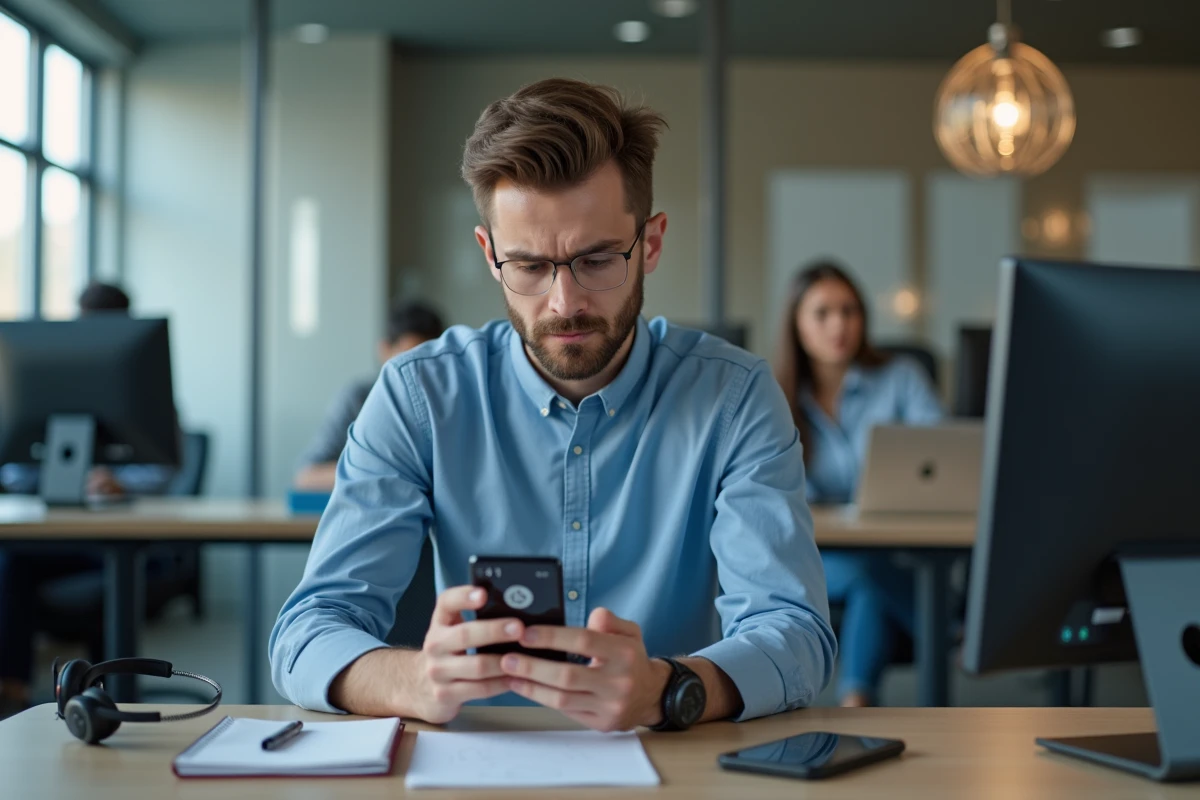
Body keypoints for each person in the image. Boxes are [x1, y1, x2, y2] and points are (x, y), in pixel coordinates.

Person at [270, 78, 835, 732]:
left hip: (671, 764)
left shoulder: (734, 397)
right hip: (469, 762)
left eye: (596, 260)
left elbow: (796, 634)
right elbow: (306, 633)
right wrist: (411, 679)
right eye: (530, 267)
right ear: (490, 255)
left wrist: (669, 689)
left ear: (649, 243)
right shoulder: (417, 395)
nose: (564, 303)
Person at [772, 260, 943, 708]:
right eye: (823, 313)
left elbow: (940, 460)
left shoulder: (902, 377)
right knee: (869, 574)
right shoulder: (774, 395)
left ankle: (856, 701)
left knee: (873, 579)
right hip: (819, 556)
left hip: (897, 545)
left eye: (850, 311)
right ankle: (952, 633)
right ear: (797, 324)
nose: (839, 325)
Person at [0, 282, 175, 719]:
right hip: (59, 533)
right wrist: (53, 477)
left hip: (127, 536)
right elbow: (14, 465)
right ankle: (13, 689)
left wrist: (117, 482)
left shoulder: (147, 390)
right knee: (8, 560)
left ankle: (106, 696)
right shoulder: (50, 384)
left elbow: (163, 470)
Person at [293, 301, 446, 491]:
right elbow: (307, 475)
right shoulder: (358, 398)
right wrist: (380, 467)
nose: (414, 372)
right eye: (407, 359)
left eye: (426, 362)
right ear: (384, 349)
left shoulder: (447, 403)